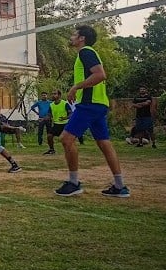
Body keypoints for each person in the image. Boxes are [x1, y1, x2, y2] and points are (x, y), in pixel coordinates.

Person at [55, 25, 130, 198]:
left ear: (82, 38)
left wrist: (75, 87)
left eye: (74, 34)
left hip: (89, 103)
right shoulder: (86, 53)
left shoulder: (85, 51)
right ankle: (119, 186)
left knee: (66, 139)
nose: (72, 36)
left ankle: (74, 183)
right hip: (98, 104)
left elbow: (100, 75)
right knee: (104, 143)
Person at [44, 90, 72, 155]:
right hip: (56, 124)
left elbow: (71, 114)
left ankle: (69, 151)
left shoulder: (65, 103)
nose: (53, 95)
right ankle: (52, 150)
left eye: (55, 94)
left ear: (59, 95)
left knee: (66, 140)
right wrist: (44, 118)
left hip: (65, 124)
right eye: (52, 94)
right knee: (49, 136)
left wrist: (65, 118)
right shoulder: (51, 105)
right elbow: (49, 115)